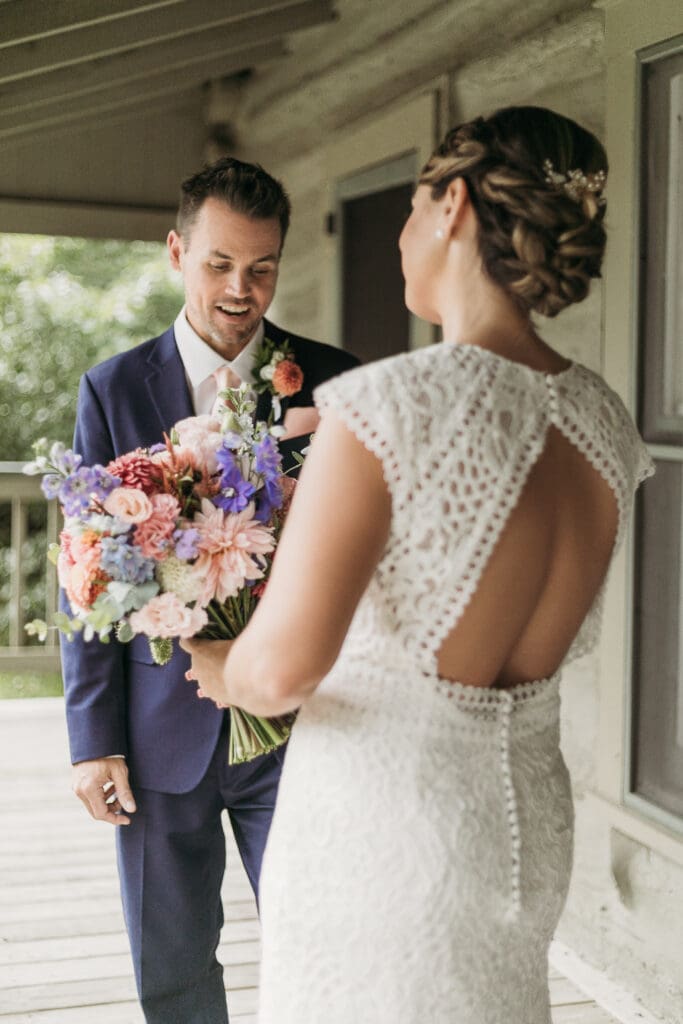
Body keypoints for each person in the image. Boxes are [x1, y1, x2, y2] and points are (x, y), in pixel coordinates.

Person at [183, 107, 654, 1023]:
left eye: (408, 206)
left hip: (386, 833)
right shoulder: (602, 422)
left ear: (449, 205)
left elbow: (279, 672)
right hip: (523, 827)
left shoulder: (390, 403)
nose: (401, 233)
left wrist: (218, 665)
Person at [60, 156, 358, 1024]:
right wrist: (91, 740)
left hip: (300, 729)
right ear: (175, 252)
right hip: (160, 732)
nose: (241, 288)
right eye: (220, 264)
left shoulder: (333, 380)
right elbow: (88, 573)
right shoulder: (112, 390)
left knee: (324, 945)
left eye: (261, 267)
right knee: (172, 961)